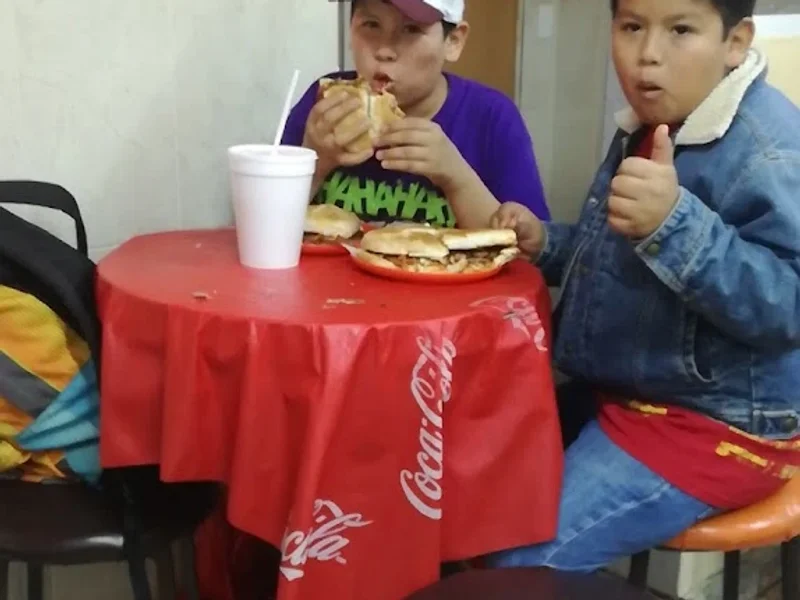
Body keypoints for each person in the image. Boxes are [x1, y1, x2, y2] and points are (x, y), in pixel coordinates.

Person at [486, 0, 800, 572]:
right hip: (621, 390)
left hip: (719, 428)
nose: (647, 54)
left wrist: (674, 225)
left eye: (681, 29)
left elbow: (790, 306)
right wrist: (546, 244)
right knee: (463, 490)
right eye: (631, 27)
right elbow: (615, 257)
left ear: (736, 42)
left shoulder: (769, 149)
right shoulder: (652, 123)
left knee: (521, 563)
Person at [281, 0, 550, 229]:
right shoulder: (323, 104)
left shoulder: (492, 118)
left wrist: (455, 177)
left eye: (411, 29)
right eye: (371, 25)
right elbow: (265, 225)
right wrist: (314, 161)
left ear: (453, 41)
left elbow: (527, 253)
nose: (384, 50)